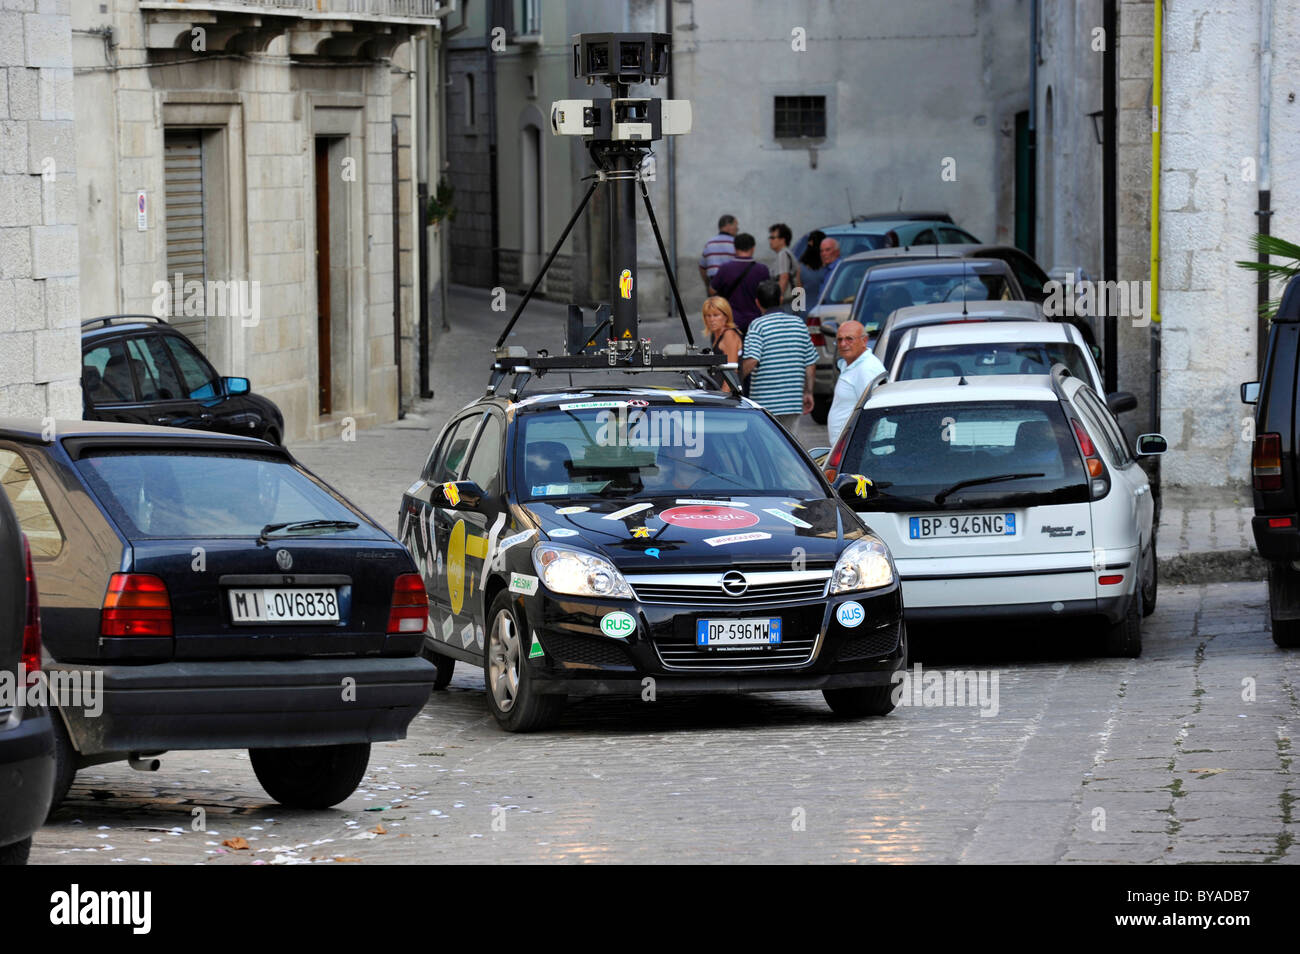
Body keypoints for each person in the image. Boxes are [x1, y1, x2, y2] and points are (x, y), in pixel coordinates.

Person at [742, 279, 817, 432]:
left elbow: (752, 359)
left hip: (765, 402)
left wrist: (735, 379)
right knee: (789, 448)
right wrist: (808, 392)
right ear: (781, 299)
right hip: (793, 401)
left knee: (766, 449)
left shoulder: (758, 325)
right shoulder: (799, 324)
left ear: (757, 302)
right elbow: (810, 363)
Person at [827, 319, 887, 446]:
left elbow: (875, 413)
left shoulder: (866, 369)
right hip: (848, 446)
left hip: (860, 447)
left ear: (864, 341)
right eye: (839, 339)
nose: (843, 344)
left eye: (849, 339)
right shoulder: (850, 364)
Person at [709, 233, 770, 332]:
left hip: (731, 321)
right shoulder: (762, 270)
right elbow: (767, 295)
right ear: (753, 248)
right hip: (755, 322)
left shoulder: (725, 268)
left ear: (735, 248)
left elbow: (712, 291)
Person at [702, 296, 742, 392]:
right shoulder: (715, 335)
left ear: (726, 316)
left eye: (716, 315)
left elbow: (731, 371)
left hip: (726, 394)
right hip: (715, 390)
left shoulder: (729, 335)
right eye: (708, 315)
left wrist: (722, 398)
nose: (712, 320)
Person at [698, 214, 738, 292]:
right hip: (732, 286)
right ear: (728, 225)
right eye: (735, 225)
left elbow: (702, 267)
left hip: (713, 287)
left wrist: (707, 284)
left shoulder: (709, 244)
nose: (737, 229)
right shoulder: (736, 244)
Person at [767, 223, 801, 306]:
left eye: (772, 238)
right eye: (770, 238)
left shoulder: (783, 254)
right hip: (790, 301)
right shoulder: (786, 253)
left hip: (786, 302)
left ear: (782, 240)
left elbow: (784, 278)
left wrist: (777, 299)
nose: (770, 241)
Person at [797, 229, 827, 309]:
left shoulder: (801, 267)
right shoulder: (827, 267)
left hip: (805, 310)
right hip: (824, 309)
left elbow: (798, 290)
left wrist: (796, 311)